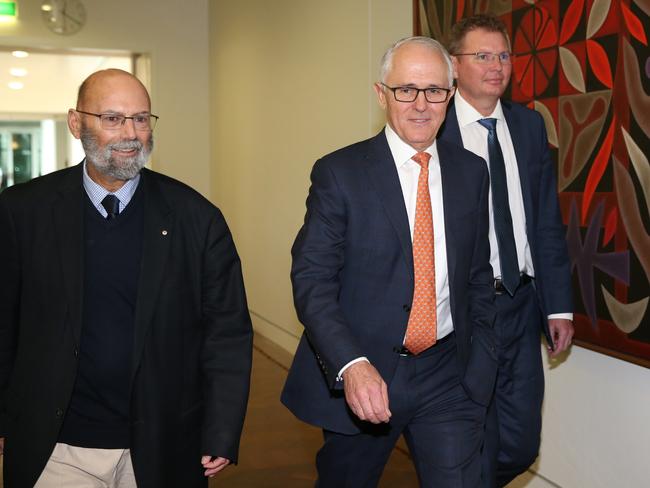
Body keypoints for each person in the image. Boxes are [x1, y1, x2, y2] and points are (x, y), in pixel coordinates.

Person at [0, 69, 253, 487]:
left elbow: (226, 333)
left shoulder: (196, 218)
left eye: (141, 118)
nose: (130, 133)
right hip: (56, 446)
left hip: (162, 442)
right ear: (76, 122)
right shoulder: (22, 211)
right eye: (112, 118)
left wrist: (221, 429)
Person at [282, 37, 497, 487]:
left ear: (451, 94)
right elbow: (312, 279)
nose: (421, 105)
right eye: (406, 90)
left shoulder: (470, 172)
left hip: (448, 374)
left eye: (435, 90)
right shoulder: (340, 173)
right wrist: (351, 365)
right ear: (382, 94)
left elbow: (476, 275)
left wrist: (480, 361)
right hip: (367, 371)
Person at [438, 14, 575, 487]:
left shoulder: (530, 127)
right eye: (482, 56)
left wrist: (558, 305)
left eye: (503, 55)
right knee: (474, 438)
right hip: (467, 313)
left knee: (519, 444)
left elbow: (545, 223)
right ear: (454, 66)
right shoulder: (434, 133)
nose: (496, 66)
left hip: (521, 306)